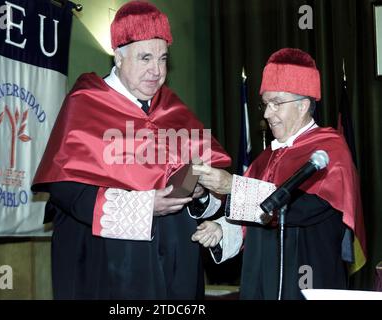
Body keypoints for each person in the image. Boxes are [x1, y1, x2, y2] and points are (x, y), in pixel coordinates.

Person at [31, 1, 231, 299]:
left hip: (177, 265)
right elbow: (67, 190)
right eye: (146, 58)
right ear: (119, 57)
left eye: (163, 59)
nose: (157, 70)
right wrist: (144, 207)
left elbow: (208, 180)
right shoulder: (86, 103)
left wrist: (199, 194)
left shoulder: (174, 110)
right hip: (109, 265)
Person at [191, 48, 366, 300]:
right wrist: (222, 230)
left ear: (304, 105)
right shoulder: (265, 158)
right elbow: (255, 218)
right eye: (265, 103)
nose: (265, 113)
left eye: (276, 104)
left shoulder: (329, 151)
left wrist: (234, 186)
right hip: (260, 282)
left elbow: (299, 210)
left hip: (307, 279)